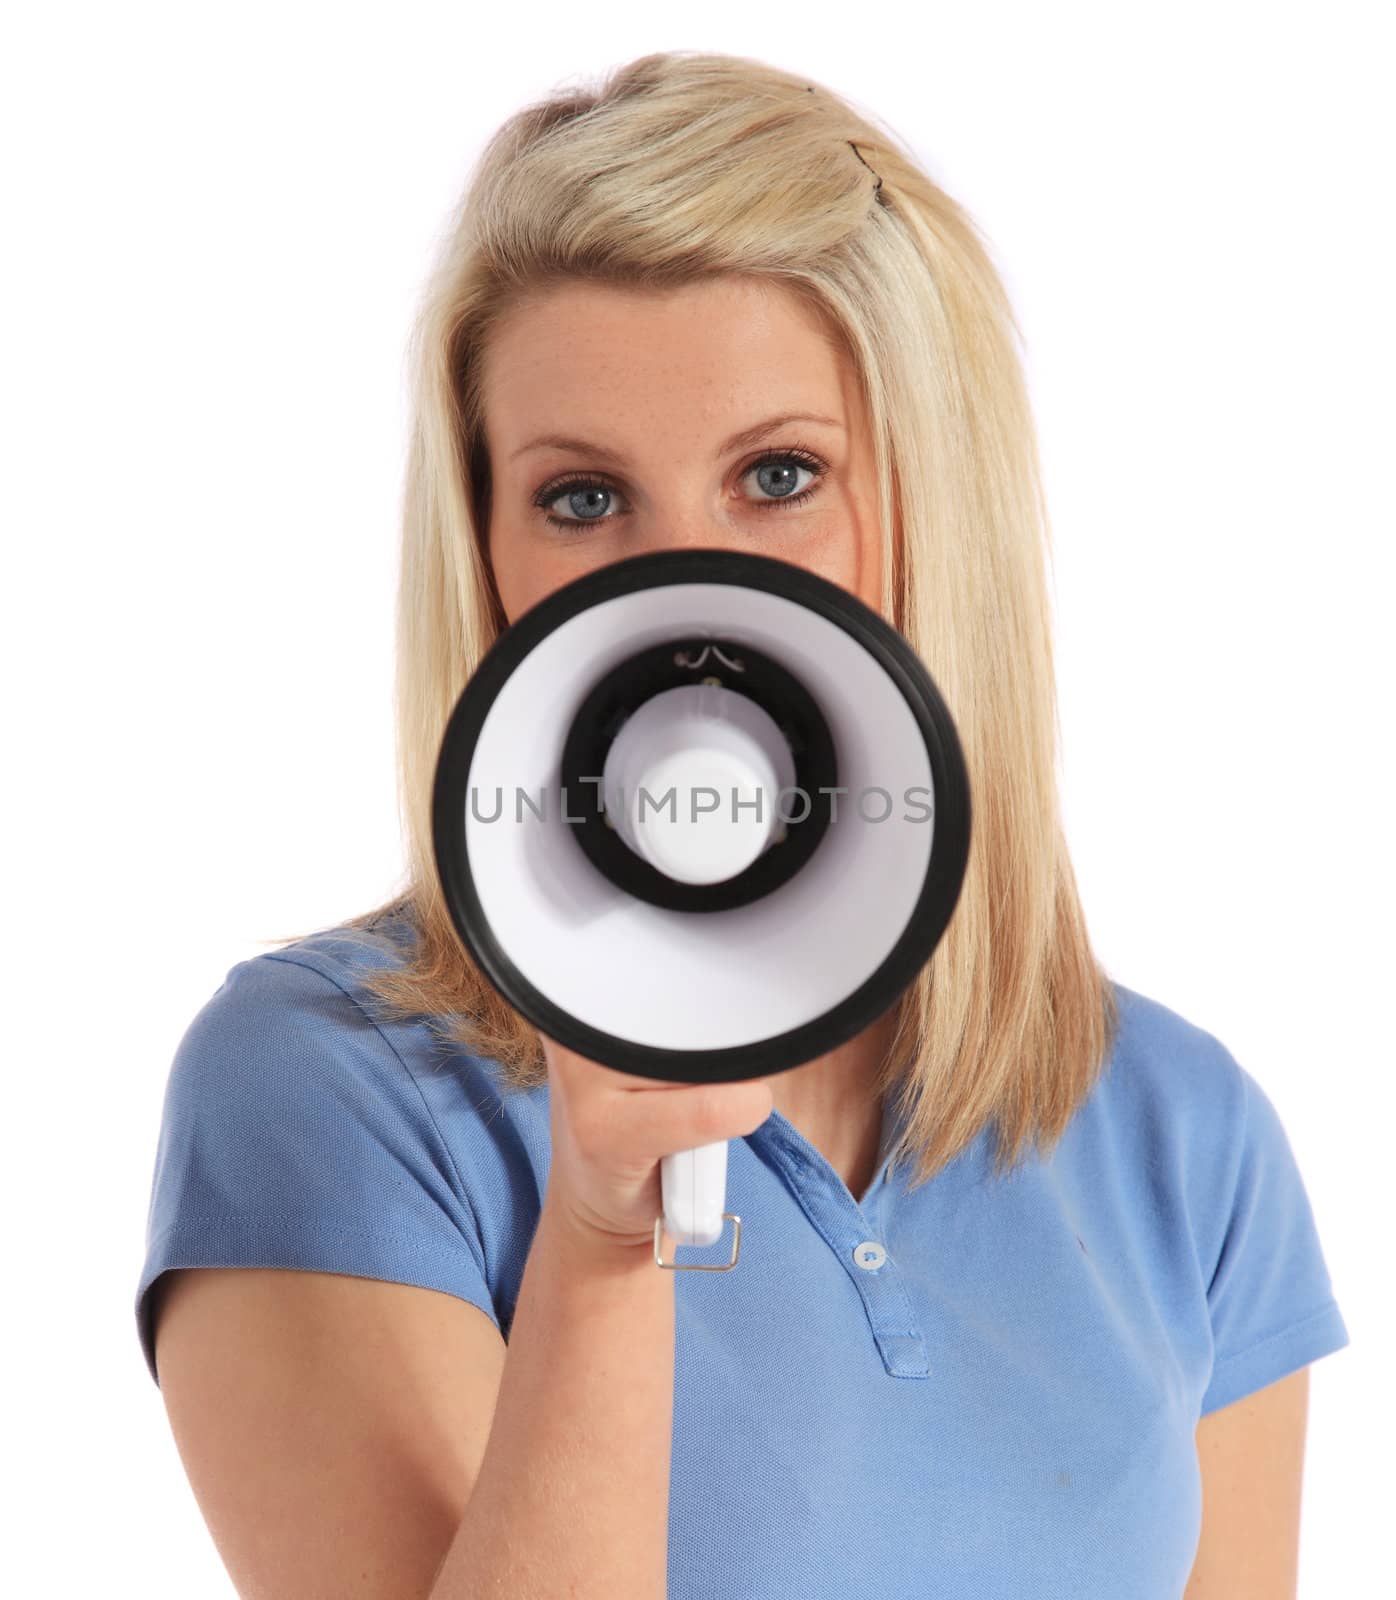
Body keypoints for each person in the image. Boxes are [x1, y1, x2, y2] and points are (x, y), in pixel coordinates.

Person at [135, 50, 1350, 1600]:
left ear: (936, 510)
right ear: (485, 545)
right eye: (583, 500)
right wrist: (603, 1236)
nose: (682, 588)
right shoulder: (327, 1091)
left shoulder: (1181, 1138)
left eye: (781, 476)